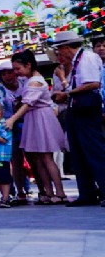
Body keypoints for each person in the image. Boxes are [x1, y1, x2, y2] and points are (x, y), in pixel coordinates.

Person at [47, 31, 105, 206]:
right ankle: (87, 193)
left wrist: (67, 93)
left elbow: (93, 83)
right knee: (78, 153)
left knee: (94, 150)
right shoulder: (74, 63)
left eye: (59, 50)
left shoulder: (87, 58)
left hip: (87, 105)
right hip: (75, 107)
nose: (58, 54)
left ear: (65, 47)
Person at [4, 49, 68, 205]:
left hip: (41, 118)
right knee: (38, 158)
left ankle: (60, 193)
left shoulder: (35, 81)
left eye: (18, 69)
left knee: (46, 157)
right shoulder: (29, 80)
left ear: (28, 65)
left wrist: (12, 119)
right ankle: (47, 192)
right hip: (33, 118)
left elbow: (27, 103)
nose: (16, 72)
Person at [0, 61, 32, 203]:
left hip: (29, 122)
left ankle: (42, 190)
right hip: (10, 126)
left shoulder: (24, 82)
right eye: (3, 74)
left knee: (33, 158)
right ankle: (20, 191)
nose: (7, 76)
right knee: (16, 160)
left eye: (10, 72)